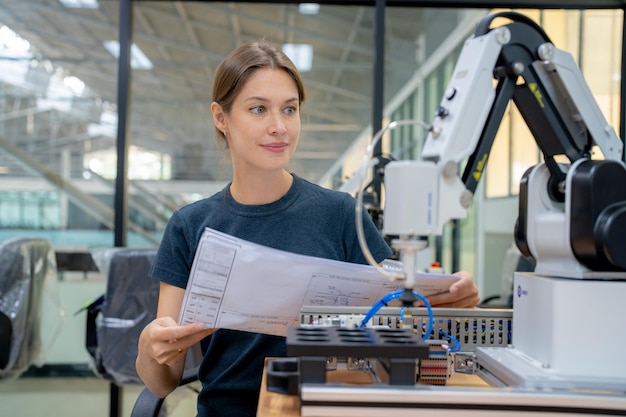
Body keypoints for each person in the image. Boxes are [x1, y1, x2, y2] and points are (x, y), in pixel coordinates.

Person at [136, 40, 480, 417]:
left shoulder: (341, 215)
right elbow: (162, 381)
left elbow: (400, 308)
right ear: (221, 117)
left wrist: (449, 298)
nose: (279, 127)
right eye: (258, 109)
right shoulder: (190, 226)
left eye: (290, 109)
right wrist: (150, 349)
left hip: (329, 405)